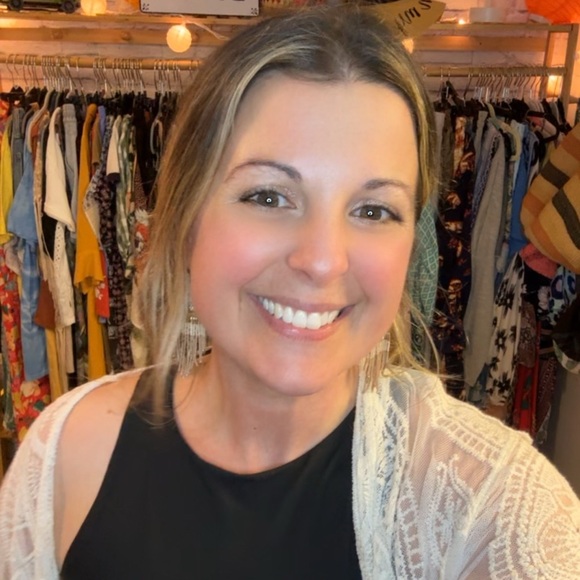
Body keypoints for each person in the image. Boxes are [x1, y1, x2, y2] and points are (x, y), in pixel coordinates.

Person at [1, 6, 579, 579]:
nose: (322, 260)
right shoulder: (65, 452)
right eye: (268, 197)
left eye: (373, 210)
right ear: (187, 215)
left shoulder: (491, 506)